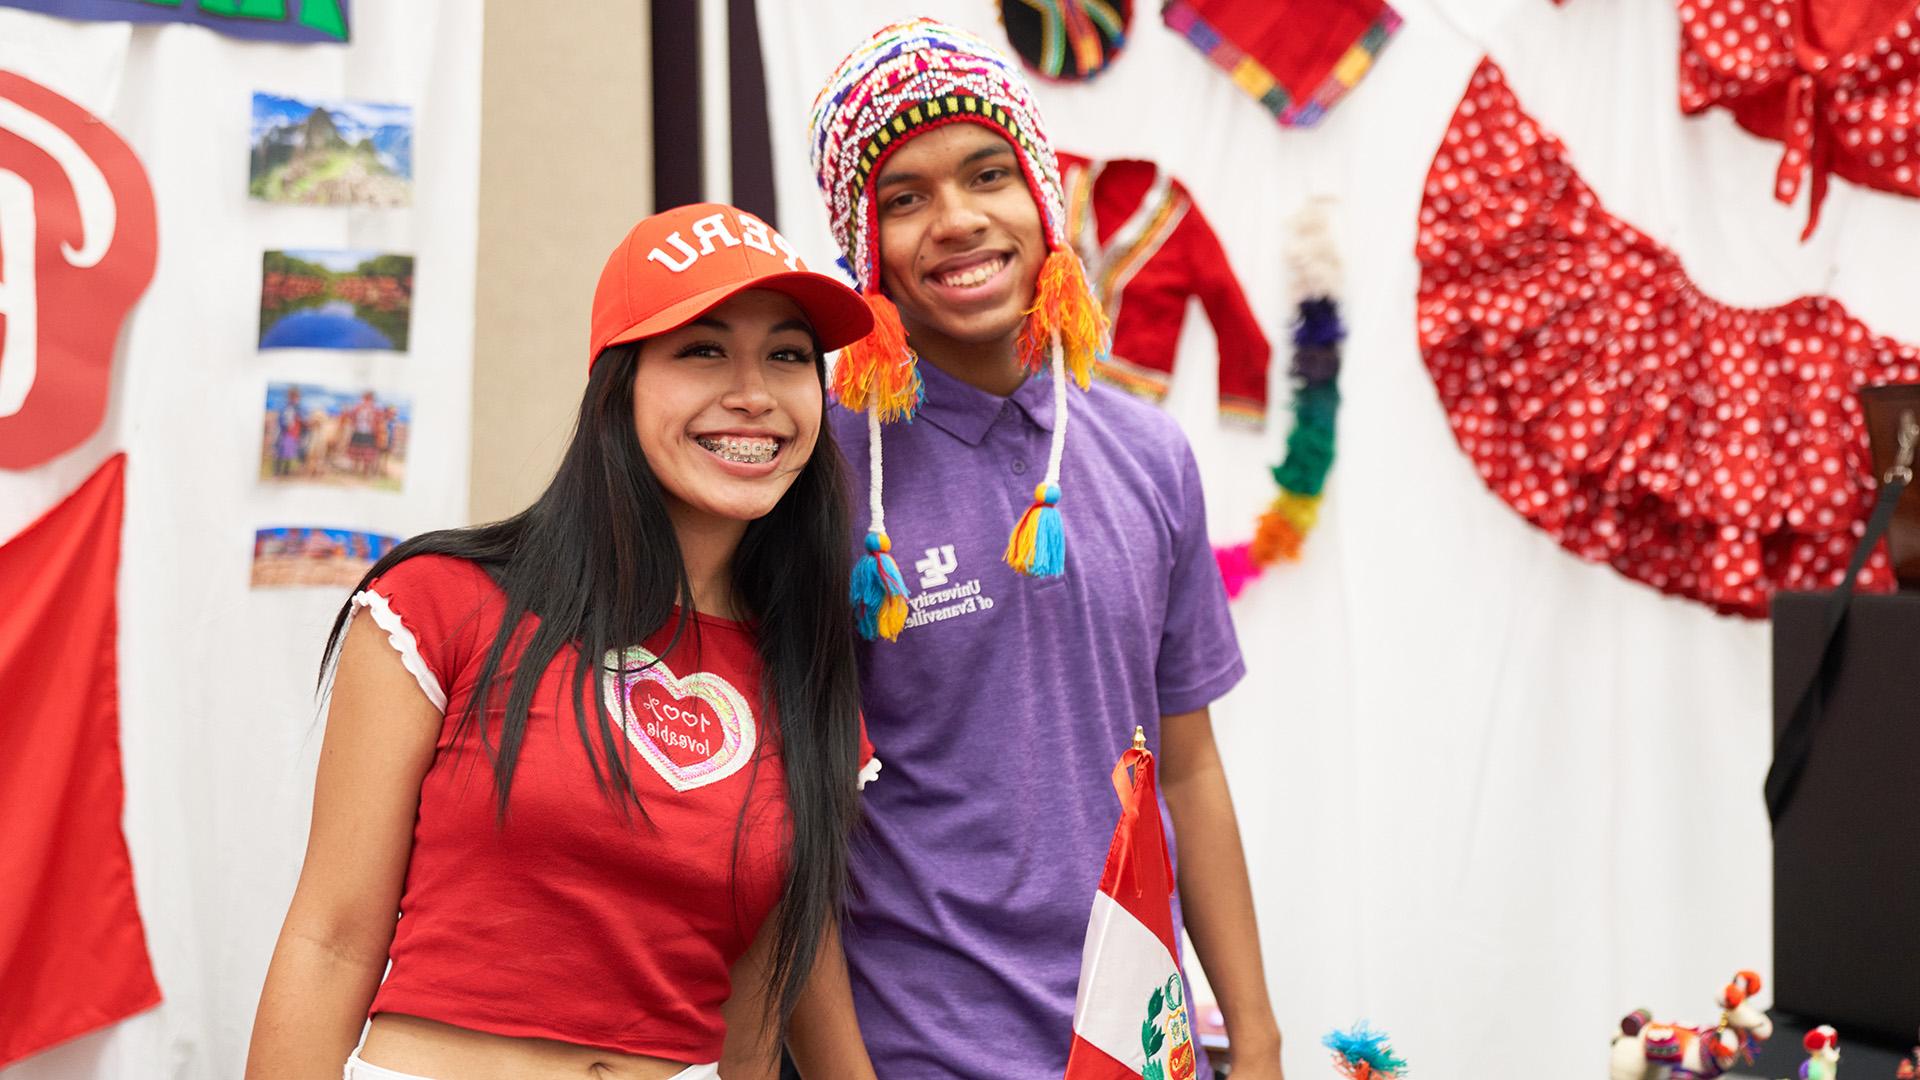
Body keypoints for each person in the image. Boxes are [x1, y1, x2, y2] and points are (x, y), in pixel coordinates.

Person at [246, 203, 883, 1080]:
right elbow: (331, 941)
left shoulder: (803, 680)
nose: (755, 393)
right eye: (702, 349)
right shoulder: (441, 603)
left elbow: (757, 1003)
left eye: (788, 355)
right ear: (619, 384)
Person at [805, 20, 1287, 1078]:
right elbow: (788, 827)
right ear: (860, 242)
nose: (960, 222)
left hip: (1144, 1048)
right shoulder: (819, 470)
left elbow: (1190, 768)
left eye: (990, 175)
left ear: (1043, 194)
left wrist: (1252, 1038)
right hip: (922, 1052)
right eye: (904, 197)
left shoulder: (1148, 452)